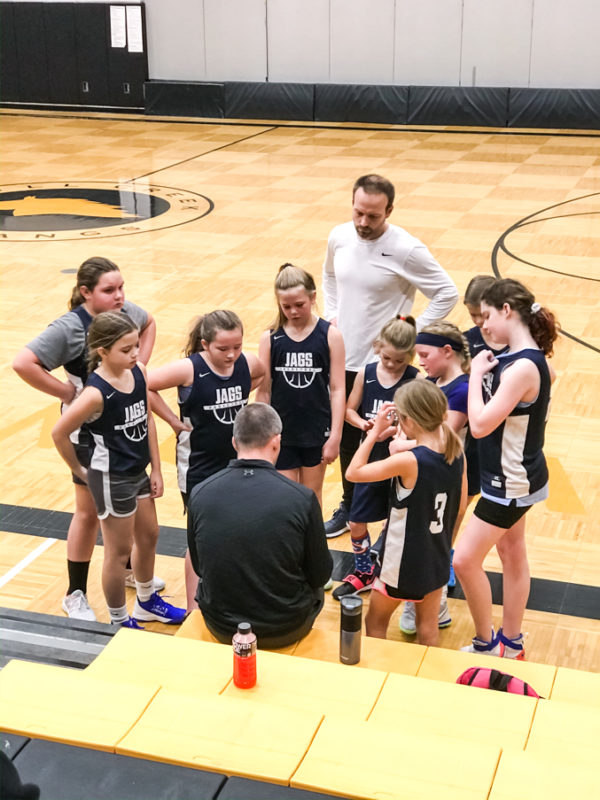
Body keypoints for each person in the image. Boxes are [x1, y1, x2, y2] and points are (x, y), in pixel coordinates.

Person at [12, 257, 161, 622]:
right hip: (87, 435)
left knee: (130, 519)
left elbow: (149, 322)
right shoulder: (68, 328)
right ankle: (75, 592)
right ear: (85, 293)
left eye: (121, 287)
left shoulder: (122, 315)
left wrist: (135, 364)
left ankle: (127, 572)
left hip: (120, 429)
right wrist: (66, 390)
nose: (120, 296)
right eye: (109, 290)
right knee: (89, 512)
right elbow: (22, 362)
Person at [322, 173, 459, 537]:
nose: (363, 223)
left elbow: (447, 292)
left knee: (392, 443)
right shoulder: (339, 236)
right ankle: (352, 509)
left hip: (386, 365)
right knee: (353, 440)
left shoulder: (407, 248)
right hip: (343, 360)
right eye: (358, 213)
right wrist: (330, 315)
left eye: (373, 216)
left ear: (390, 211)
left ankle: (393, 516)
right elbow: (330, 276)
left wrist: (411, 331)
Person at [51, 312, 185, 628]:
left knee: (150, 535)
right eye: (126, 350)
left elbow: (147, 418)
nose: (135, 354)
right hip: (110, 478)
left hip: (137, 471)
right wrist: (79, 470)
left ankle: (147, 602)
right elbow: (59, 433)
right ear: (103, 351)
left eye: (136, 346)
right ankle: (119, 620)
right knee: (118, 550)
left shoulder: (138, 371)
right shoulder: (95, 393)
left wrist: (156, 469)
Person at [453, 279, 559, 659]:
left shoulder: (522, 367)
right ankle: (512, 643)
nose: (483, 326)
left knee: (464, 560)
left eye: (486, 317)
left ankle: (487, 642)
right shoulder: (528, 359)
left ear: (507, 311)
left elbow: (479, 426)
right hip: (520, 474)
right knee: (513, 554)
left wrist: (476, 376)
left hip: (510, 481)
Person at [187, 403, 333, 648]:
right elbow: (321, 573)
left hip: (222, 626)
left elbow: (200, 567)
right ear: (276, 442)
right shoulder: (302, 498)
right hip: (286, 627)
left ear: (234, 442)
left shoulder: (200, 492)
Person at [147, 310, 264, 612]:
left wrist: (240, 394)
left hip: (237, 463)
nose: (231, 355)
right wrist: (173, 420)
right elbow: (143, 384)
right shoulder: (189, 369)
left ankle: (230, 592)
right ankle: (192, 609)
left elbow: (262, 372)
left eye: (237, 347)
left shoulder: (246, 363)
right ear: (204, 344)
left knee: (236, 529)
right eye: (223, 349)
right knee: (199, 539)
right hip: (197, 467)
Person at [346, 380, 466, 646]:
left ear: (408, 421)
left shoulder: (409, 462)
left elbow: (353, 473)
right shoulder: (457, 450)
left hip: (402, 563)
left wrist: (374, 433)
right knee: (428, 629)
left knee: (374, 622)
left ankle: (380, 677)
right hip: (437, 555)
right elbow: (460, 508)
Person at [332, 315, 419, 600]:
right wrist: (365, 425)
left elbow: (423, 422)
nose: (392, 365)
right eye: (387, 358)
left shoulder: (415, 379)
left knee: (395, 520)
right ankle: (363, 569)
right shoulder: (366, 372)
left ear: (410, 356)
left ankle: (387, 566)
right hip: (369, 457)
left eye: (399, 361)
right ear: (377, 347)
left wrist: (401, 434)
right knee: (357, 521)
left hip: (401, 459)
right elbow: (349, 410)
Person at [397, 320, 472, 633]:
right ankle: (417, 604)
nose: (420, 361)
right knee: (418, 545)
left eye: (425, 354)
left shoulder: (463, 389)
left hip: (448, 480)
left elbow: (441, 438)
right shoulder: (431, 383)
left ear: (447, 351)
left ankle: (435, 607)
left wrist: (400, 444)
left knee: (438, 546)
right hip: (422, 479)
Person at [256, 263, 345, 506]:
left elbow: (337, 389)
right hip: (281, 432)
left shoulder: (330, 335)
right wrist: (262, 434)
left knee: (311, 496)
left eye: (299, 305)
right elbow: (263, 391)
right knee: (285, 497)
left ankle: (310, 545)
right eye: (286, 307)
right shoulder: (271, 338)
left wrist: (335, 435)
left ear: (313, 298)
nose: (293, 311)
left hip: (316, 431)